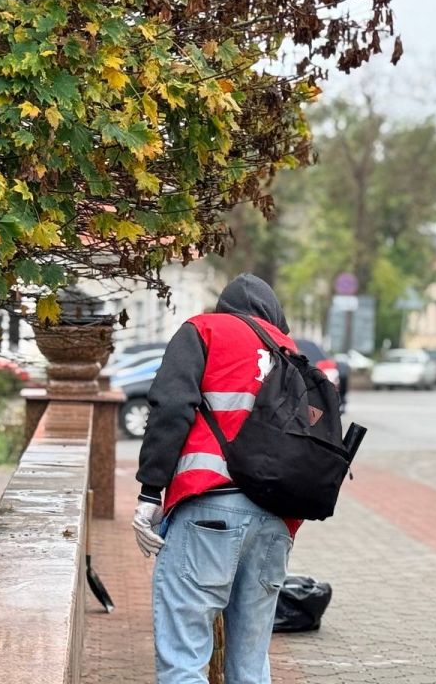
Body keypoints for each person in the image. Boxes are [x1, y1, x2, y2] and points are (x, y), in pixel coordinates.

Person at [132, 274, 301, 684]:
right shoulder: (288, 350)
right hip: (276, 521)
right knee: (250, 663)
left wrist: (150, 493)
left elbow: (171, 410)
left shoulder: (204, 330)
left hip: (209, 509)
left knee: (184, 658)